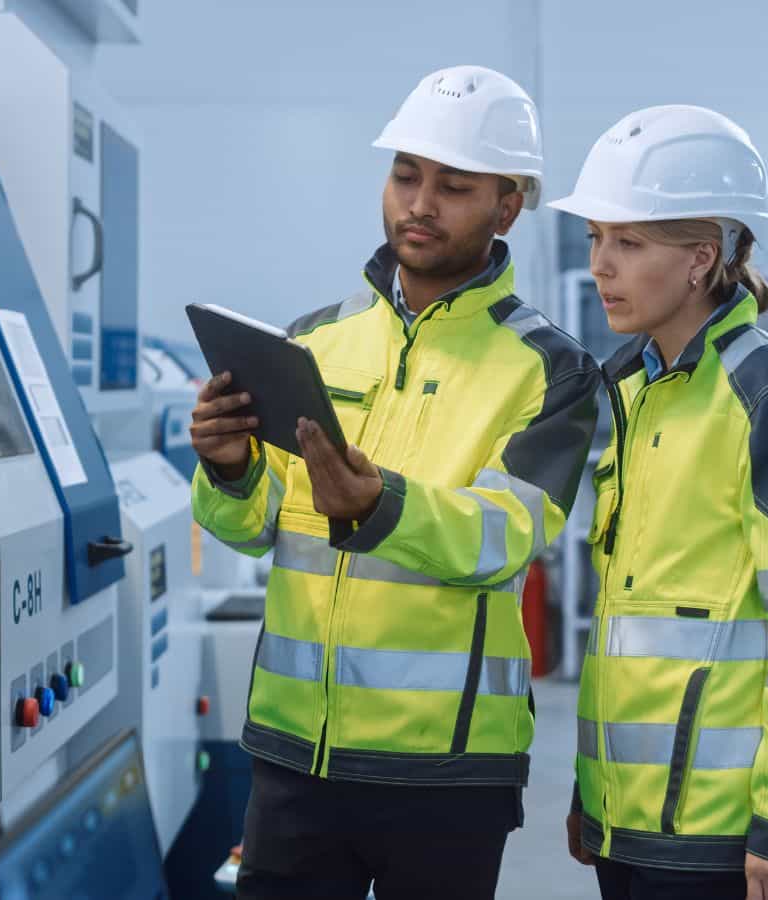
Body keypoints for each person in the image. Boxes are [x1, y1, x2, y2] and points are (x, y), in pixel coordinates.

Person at [187, 65, 602, 900]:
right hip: (295, 754)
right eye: (406, 175)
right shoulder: (315, 340)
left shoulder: (552, 369)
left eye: (454, 186)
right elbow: (254, 524)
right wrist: (228, 468)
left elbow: (506, 535)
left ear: (508, 204)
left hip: (445, 771)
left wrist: (382, 508)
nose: (420, 202)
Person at [547, 105, 768, 900]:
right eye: (595, 238)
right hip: (628, 817)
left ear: (702, 258)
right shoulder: (634, 385)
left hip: (721, 833)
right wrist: (592, 795)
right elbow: (632, 626)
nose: (601, 265)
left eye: (628, 243)